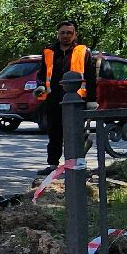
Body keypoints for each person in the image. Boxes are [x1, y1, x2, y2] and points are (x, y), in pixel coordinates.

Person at [36, 19, 98, 170]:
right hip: (54, 99)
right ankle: (53, 165)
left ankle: (77, 165)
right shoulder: (49, 52)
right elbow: (42, 74)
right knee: (54, 134)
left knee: (76, 135)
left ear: (75, 34)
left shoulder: (83, 51)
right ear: (57, 34)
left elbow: (91, 78)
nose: (66, 35)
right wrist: (41, 86)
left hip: (77, 101)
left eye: (69, 33)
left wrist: (92, 100)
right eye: (63, 32)